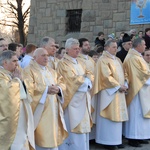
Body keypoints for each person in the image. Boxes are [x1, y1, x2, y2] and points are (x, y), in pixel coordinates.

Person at [23, 48, 68, 150]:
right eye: (43, 55)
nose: (46, 57)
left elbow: (61, 82)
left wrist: (58, 88)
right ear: (35, 57)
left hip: (53, 108)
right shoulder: (28, 70)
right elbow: (28, 87)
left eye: (47, 55)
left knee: (54, 133)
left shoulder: (51, 71)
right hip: (40, 109)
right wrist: (46, 89)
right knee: (41, 136)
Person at [57, 38, 94, 150]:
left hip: (84, 99)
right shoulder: (63, 63)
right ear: (67, 49)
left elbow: (89, 74)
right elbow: (70, 80)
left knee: (84, 128)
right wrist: (86, 81)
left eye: (78, 48)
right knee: (73, 126)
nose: (78, 51)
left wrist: (87, 80)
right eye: (75, 49)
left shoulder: (81, 62)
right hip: (72, 100)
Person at [92, 40, 128, 150]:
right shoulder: (102, 60)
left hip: (119, 91)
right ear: (106, 48)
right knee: (108, 118)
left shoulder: (117, 60)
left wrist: (125, 83)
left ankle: (116, 140)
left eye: (116, 47)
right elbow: (106, 76)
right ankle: (106, 141)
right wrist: (118, 86)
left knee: (118, 117)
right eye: (113, 47)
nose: (116, 49)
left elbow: (124, 72)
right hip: (108, 93)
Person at [0, 50, 35, 150]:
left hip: (22, 113)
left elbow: (29, 87)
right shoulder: (1, 75)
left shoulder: (17, 73)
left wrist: (21, 80)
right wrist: (17, 80)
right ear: (5, 62)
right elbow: (7, 92)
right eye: (14, 61)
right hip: (10, 117)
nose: (17, 63)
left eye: (17, 60)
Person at [123, 38, 150, 147]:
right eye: (144, 44)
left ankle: (140, 136)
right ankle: (133, 137)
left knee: (140, 115)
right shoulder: (132, 58)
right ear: (138, 45)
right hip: (136, 90)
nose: (145, 46)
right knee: (135, 114)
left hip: (142, 90)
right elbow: (139, 75)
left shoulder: (137, 56)